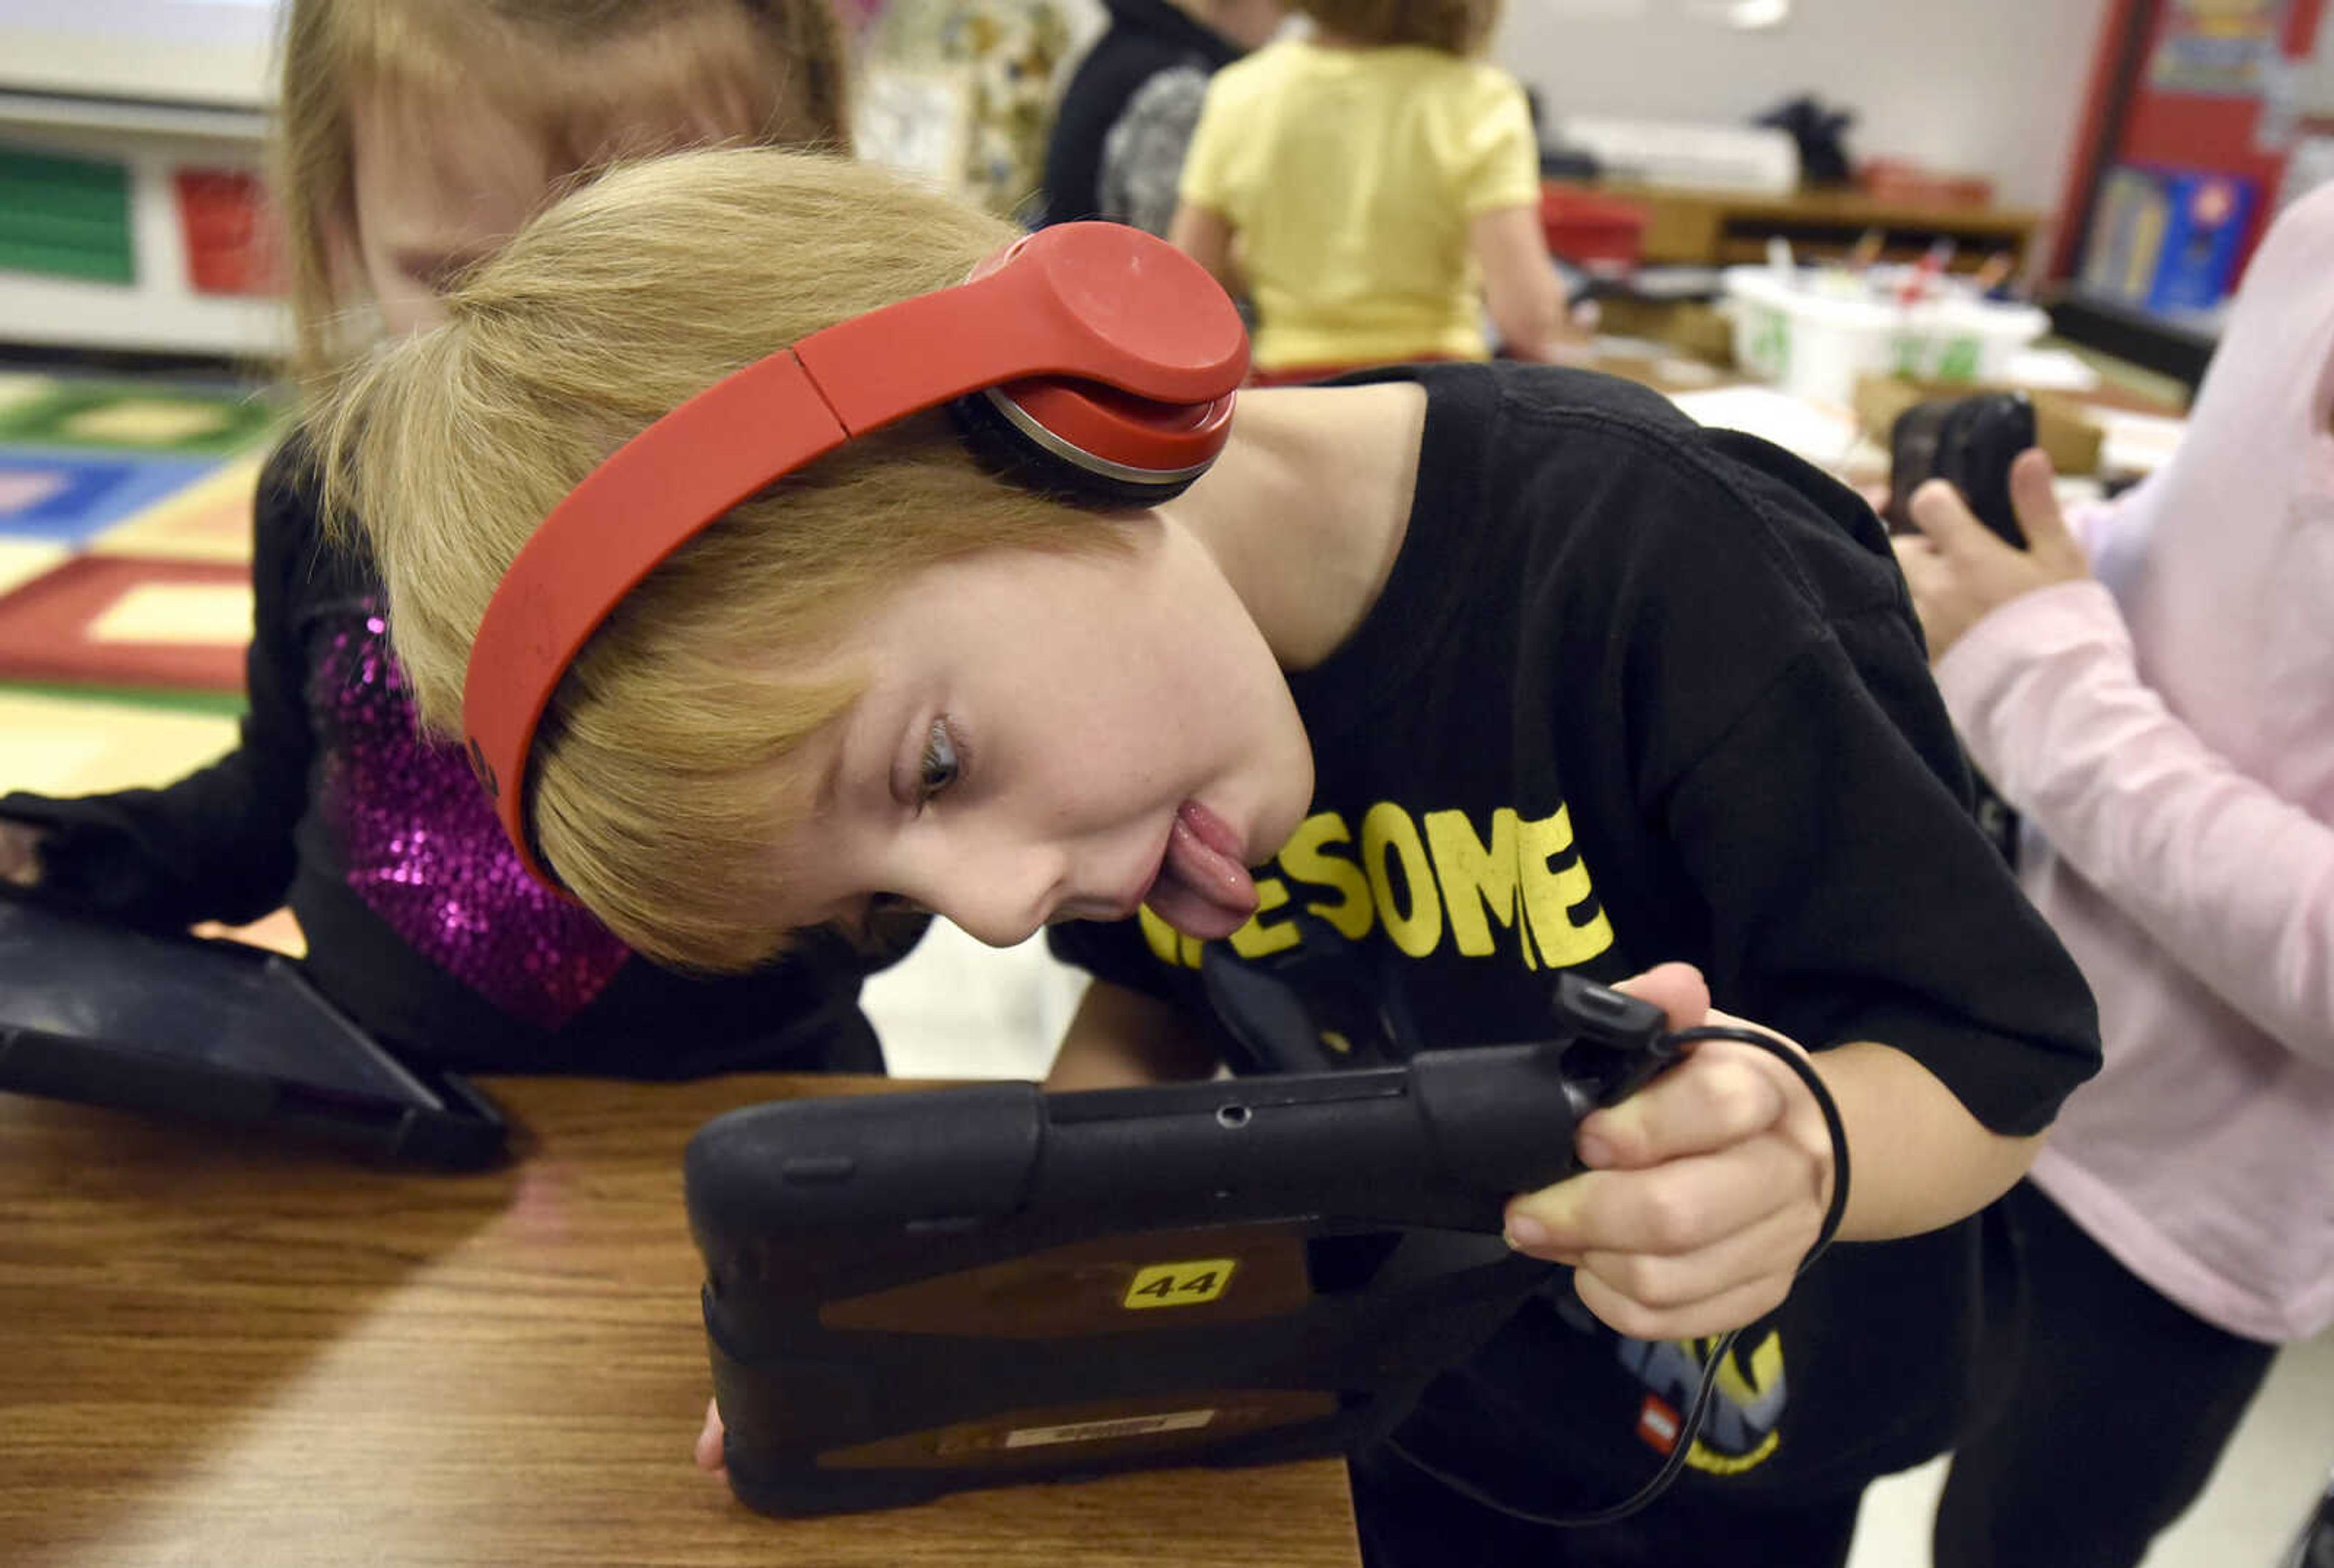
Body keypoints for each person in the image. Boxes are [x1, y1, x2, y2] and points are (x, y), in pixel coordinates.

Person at [312, 148, 2098, 1563]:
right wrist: (1009, 1309)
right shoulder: (1135, 763)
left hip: (1731, 1447)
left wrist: (1806, 1140)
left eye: (931, 767)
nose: (998, 903)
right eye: (891, 895)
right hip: (1379, 1413)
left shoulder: (1660, 567)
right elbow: (1155, 1034)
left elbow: (1992, 1050)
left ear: (1058, 418)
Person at [0, 0, 917, 1079]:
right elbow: (269, 805)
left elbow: (918, 888)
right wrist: (62, 856)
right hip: (386, 1127)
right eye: (462, 283)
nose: (546, 379)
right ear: (339, 230)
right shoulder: (323, 496)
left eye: (641, 288)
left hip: (762, 1130)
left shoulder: (853, 513)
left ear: (809, 216)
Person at [1895, 183, 2334, 1568]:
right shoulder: (2314, 234)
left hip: (2189, 1209)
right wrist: (2013, 563)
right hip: (1995, 1043)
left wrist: (2032, 680)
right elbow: (2200, 543)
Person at [1166, 0, 1572, 380]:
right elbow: (1526, 317)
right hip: (1437, 396)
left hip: (1292, 396)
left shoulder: (1240, 92)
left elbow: (1186, 286)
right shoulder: (1478, 98)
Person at [1037, 0, 1289, 236]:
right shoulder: (1181, 89)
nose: (1286, 21)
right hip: (1110, 277)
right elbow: (1175, 256)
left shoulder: (1124, 48)